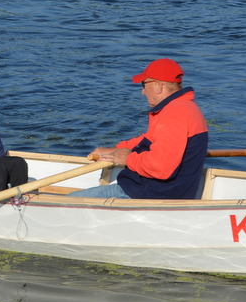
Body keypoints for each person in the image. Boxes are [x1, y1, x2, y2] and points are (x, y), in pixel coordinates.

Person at [69, 58, 208, 199]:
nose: (142, 91)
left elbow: (160, 167)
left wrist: (128, 158)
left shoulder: (175, 114)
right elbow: (147, 139)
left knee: (69, 201)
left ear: (158, 87)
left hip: (150, 195)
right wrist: (114, 150)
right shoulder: (182, 107)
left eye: (144, 84)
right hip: (154, 191)